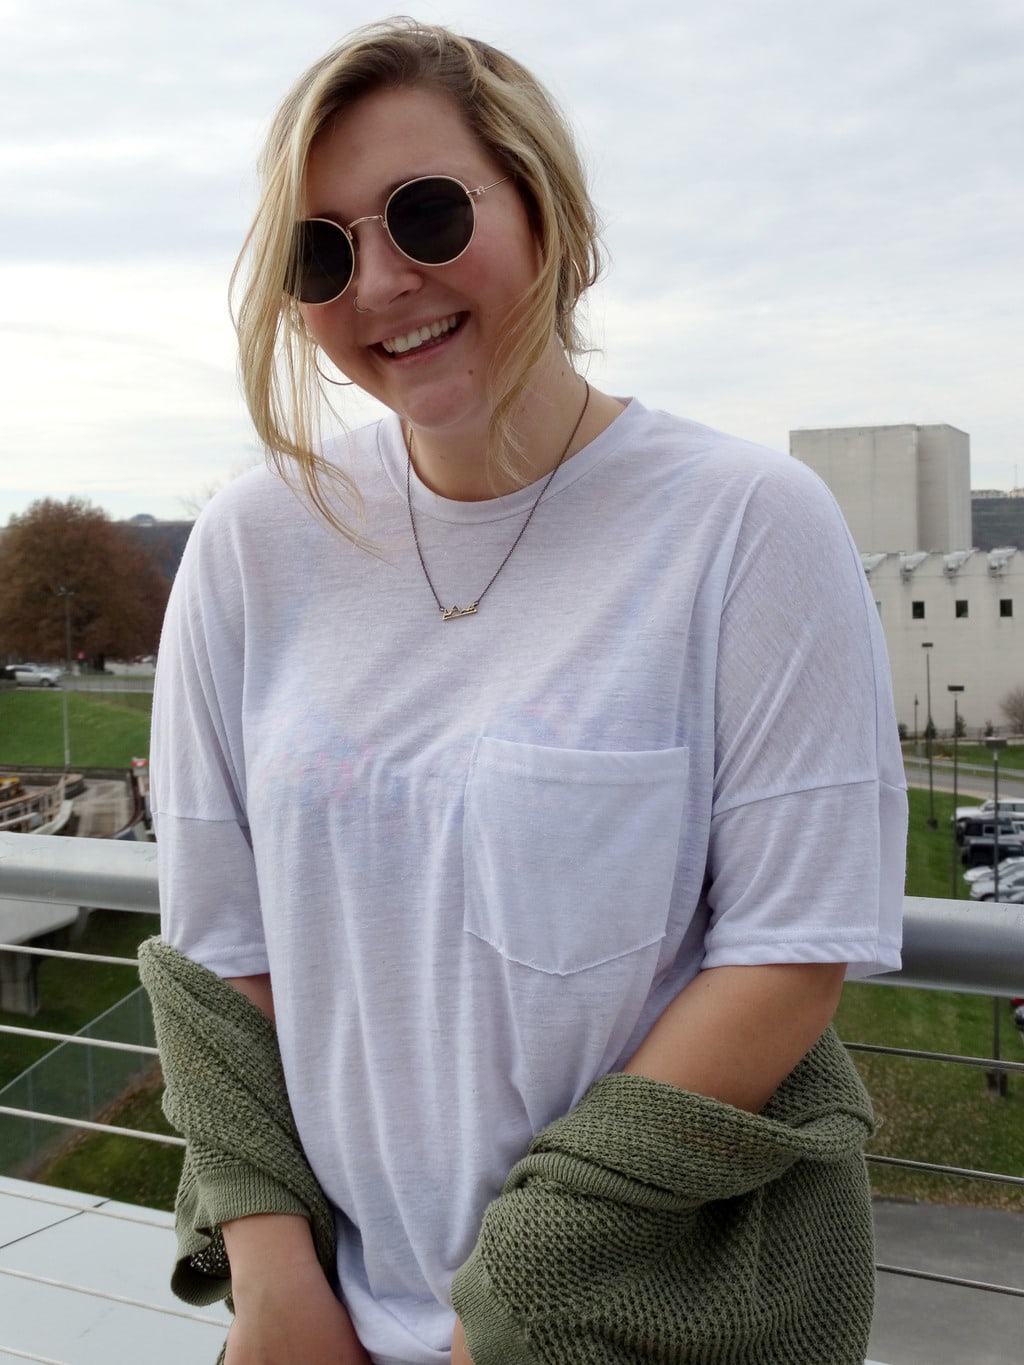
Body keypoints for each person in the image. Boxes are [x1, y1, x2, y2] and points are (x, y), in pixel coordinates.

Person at [142, 18, 907, 1365]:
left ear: (542, 206)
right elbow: (219, 958)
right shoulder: (254, 546)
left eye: (425, 215)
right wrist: (277, 1287)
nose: (380, 281)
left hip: (639, 1309)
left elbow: (789, 954)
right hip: (324, 1315)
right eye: (321, 250)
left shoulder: (747, 526)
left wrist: (503, 1304)